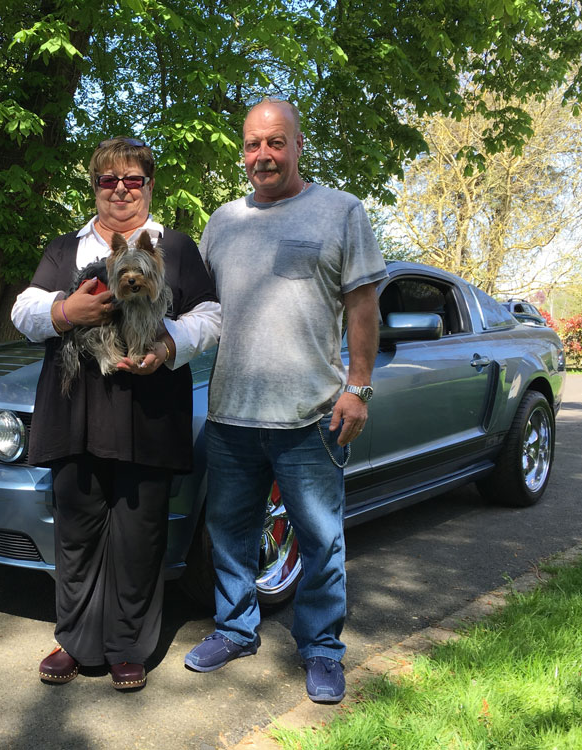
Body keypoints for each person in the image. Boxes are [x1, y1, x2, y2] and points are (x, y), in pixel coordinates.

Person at [183, 100, 386, 705]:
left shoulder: (340, 212)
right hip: (229, 415)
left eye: (275, 143)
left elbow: (363, 308)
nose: (263, 156)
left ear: (298, 146)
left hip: (311, 417)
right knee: (229, 532)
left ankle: (321, 650)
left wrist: (357, 386)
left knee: (321, 540)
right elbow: (201, 312)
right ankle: (235, 629)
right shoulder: (221, 223)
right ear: (242, 151)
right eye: (252, 145)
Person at [11, 136, 221, 691]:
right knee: (76, 535)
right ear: (95, 187)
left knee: (139, 534)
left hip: (149, 416)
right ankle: (75, 640)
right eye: (109, 180)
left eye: (133, 179)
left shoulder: (175, 248)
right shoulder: (65, 250)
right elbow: (23, 309)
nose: (121, 189)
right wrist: (64, 309)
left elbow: (213, 315)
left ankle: (129, 645)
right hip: (74, 411)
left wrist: (170, 344)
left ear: (149, 186)